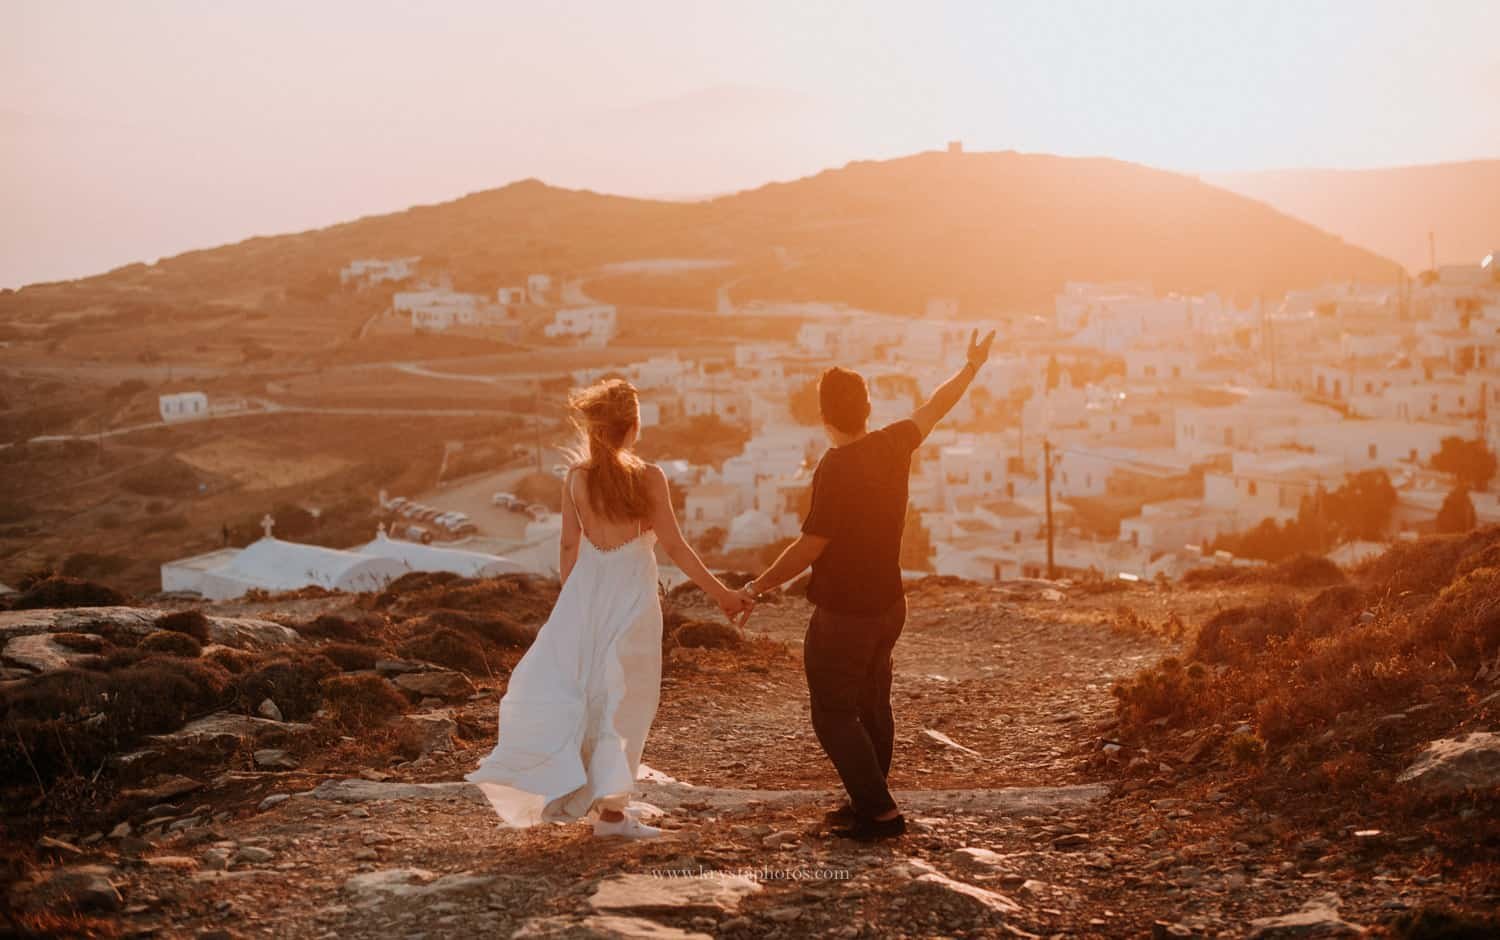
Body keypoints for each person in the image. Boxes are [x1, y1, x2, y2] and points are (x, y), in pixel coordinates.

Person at [737, 329, 995, 841]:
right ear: (868, 407)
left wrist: (757, 586)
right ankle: (869, 798)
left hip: (845, 613)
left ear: (824, 416)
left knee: (833, 710)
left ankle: (878, 812)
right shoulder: (894, 442)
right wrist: (971, 367)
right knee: (874, 702)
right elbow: (937, 405)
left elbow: (812, 545)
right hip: (889, 604)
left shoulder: (835, 467)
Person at [467, 379, 751, 839]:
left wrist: (571, 604)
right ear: (632, 427)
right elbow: (676, 548)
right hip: (633, 600)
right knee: (625, 703)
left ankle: (598, 804)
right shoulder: (649, 477)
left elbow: (567, 545)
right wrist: (722, 594)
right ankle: (613, 815)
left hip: (583, 597)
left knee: (586, 695)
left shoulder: (576, 478)